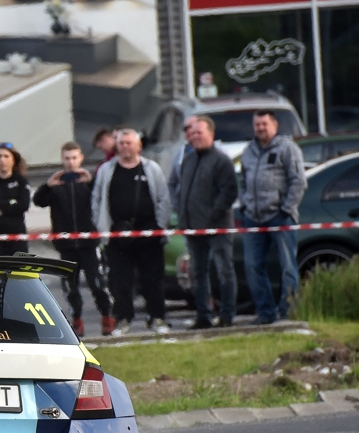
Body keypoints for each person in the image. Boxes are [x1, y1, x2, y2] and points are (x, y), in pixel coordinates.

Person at [91, 129, 171, 335]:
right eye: (121, 143)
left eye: (129, 143)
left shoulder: (151, 168)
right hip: (118, 234)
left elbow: (163, 198)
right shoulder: (106, 170)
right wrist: (102, 227)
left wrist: (160, 226)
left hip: (148, 233)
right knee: (120, 281)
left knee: (152, 279)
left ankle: (157, 317)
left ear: (139, 145)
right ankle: (123, 319)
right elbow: (97, 199)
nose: (125, 147)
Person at [33, 142, 113, 337]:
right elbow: (38, 201)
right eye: (67, 158)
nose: (70, 162)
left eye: (74, 158)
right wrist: (48, 186)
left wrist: (91, 182)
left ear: (81, 158)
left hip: (88, 243)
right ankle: (77, 319)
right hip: (66, 245)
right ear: (62, 160)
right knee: (70, 287)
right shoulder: (56, 184)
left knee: (97, 282)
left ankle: (107, 315)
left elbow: (104, 196)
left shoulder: (87, 182)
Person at [239, 110, 307, 325]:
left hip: (281, 217)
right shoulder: (248, 151)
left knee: (288, 267)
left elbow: (299, 181)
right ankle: (266, 313)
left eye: (264, 124)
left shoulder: (287, 148)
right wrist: (244, 204)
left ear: (274, 125)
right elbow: (242, 181)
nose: (260, 128)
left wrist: (287, 208)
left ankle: (289, 313)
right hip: (253, 218)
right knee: (252, 266)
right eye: (257, 124)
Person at [173, 116, 238, 329]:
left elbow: (229, 192)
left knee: (224, 270)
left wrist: (212, 216)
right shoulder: (189, 160)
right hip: (192, 227)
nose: (194, 137)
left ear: (211, 134)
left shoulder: (221, 160)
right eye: (191, 133)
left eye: (199, 133)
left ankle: (227, 315)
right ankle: (203, 315)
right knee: (197, 273)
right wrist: (182, 215)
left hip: (217, 227)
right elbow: (182, 190)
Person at [166, 116, 200, 207]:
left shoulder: (217, 153)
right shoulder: (179, 154)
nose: (189, 131)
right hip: (186, 208)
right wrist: (177, 205)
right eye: (186, 129)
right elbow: (171, 183)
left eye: (192, 127)